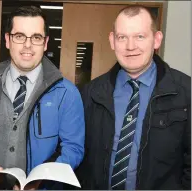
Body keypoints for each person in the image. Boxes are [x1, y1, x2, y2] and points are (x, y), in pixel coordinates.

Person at [0, 6, 85, 190]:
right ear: (8, 40)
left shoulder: (67, 93)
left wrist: (42, 179)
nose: (27, 45)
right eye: (19, 36)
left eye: (36, 37)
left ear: (45, 43)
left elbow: (73, 148)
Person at [77, 5, 191, 190]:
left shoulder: (186, 92)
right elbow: (79, 158)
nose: (130, 47)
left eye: (140, 36)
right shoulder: (90, 94)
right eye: (122, 37)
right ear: (112, 41)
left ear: (156, 40)